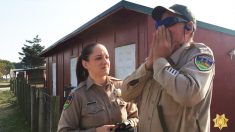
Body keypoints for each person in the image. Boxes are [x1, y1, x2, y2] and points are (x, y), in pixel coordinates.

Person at [121, 4, 215, 132]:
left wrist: (159, 62)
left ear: (188, 28)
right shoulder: (153, 62)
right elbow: (126, 94)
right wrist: (149, 65)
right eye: (158, 24)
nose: (161, 27)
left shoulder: (200, 54)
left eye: (169, 22)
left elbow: (189, 94)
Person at [57, 43, 138, 132]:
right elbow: (63, 130)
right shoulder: (77, 95)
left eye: (107, 57)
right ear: (85, 64)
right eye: (98, 58)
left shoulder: (121, 86)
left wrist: (128, 124)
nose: (105, 61)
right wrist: (96, 131)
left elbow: (135, 117)